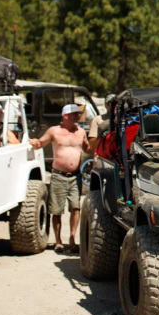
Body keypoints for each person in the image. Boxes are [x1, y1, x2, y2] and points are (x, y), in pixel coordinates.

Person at [30, 103, 93, 253]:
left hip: (75, 176)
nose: (77, 117)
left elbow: (88, 149)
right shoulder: (54, 131)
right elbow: (40, 143)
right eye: (74, 114)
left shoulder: (81, 132)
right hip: (59, 176)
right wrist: (33, 142)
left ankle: (72, 239)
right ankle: (58, 241)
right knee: (57, 210)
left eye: (78, 114)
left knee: (75, 208)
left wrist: (98, 142)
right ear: (65, 116)